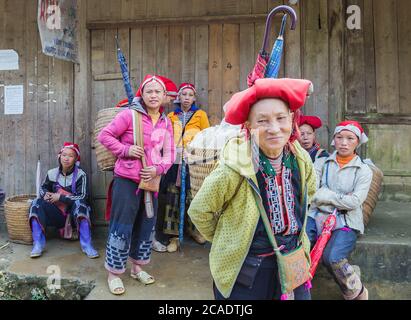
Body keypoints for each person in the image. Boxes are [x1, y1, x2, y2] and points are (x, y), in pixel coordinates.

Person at [188, 78, 316, 300]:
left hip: (292, 261)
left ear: (292, 118)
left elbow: (309, 195)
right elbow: (199, 211)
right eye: (263, 121)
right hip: (248, 268)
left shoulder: (301, 159)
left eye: (281, 118)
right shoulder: (235, 166)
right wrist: (228, 238)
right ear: (248, 126)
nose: (274, 128)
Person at [98, 74, 175, 295]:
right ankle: (114, 273)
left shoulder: (165, 122)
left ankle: (137, 267)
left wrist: (158, 168)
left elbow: (169, 153)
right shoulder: (129, 115)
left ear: (163, 96)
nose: (153, 95)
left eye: (157, 92)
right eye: (149, 91)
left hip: (151, 181)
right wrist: (126, 150)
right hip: (127, 181)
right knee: (122, 225)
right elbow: (106, 136)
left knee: (146, 224)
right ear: (142, 94)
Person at [306, 120, 372, 300]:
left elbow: (355, 202)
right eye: (339, 137)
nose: (344, 142)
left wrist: (324, 194)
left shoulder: (364, 170)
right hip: (315, 216)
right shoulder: (321, 163)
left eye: (350, 138)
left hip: (346, 221)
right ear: (333, 140)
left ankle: (355, 291)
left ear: (357, 142)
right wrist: (339, 198)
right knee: (299, 248)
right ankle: (296, 293)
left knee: (332, 257)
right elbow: (310, 191)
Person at [159, 82, 210, 253]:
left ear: (194, 98)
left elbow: (207, 137)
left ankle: (194, 230)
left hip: (193, 162)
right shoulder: (171, 116)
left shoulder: (200, 115)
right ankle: (174, 236)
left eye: (190, 95)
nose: (187, 98)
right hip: (174, 162)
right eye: (184, 95)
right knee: (174, 195)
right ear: (178, 97)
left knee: (193, 195)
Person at [28, 142, 98, 259]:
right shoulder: (51, 173)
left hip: (74, 216)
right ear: (59, 156)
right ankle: (38, 244)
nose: (66, 158)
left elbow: (83, 196)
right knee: (36, 203)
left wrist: (60, 197)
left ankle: (87, 245)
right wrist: (45, 195)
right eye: (64, 155)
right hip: (58, 216)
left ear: (76, 159)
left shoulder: (81, 175)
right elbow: (43, 189)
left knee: (81, 205)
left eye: (71, 156)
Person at [297, 115, 329, 187]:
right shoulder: (292, 155)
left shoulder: (322, 155)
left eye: (309, 133)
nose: (305, 137)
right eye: (301, 134)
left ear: (314, 135)